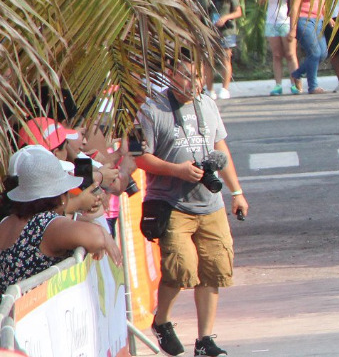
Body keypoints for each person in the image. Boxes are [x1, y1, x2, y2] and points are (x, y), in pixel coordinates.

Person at [135, 50, 248, 357]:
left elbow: (220, 146)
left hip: (210, 203)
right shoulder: (152, 109)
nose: (194, 83)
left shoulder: (207, 104)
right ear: (170, 75)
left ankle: (205, 340)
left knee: (214, 270)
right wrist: (177, 170)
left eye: (198, 76)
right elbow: (140, 158)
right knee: (180, 268)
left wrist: (236, 192)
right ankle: (162, 321)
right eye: (186, 76)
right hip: (171, 204)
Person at [1, 146, 122, 291]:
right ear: (62, 198)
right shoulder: (45, 224)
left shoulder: (6, 222)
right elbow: (95, 238)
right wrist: (101, 231)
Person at [199, 0, 241, 99]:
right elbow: (200, 13)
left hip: (226, 30)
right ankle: (210, 89)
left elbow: (238, 12)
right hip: (209, 31)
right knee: (208, 61)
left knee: (225, 58)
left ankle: (225, 88)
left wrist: (226, 17)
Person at [288, 0, 328, 94]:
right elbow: (294, 7)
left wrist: (327, 16)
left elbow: (321, 0)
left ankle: (297, 73)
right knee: (314, 53)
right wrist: (292, 29)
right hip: (304, 19)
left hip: (318, 19)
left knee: (323, 53)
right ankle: (313, 86)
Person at [260, 0, 298, 96]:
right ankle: (278, 84)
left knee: (290, 54)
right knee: (276, 55)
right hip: (271, 22)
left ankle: (295, 83)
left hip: (286, 21)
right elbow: (261, 2)